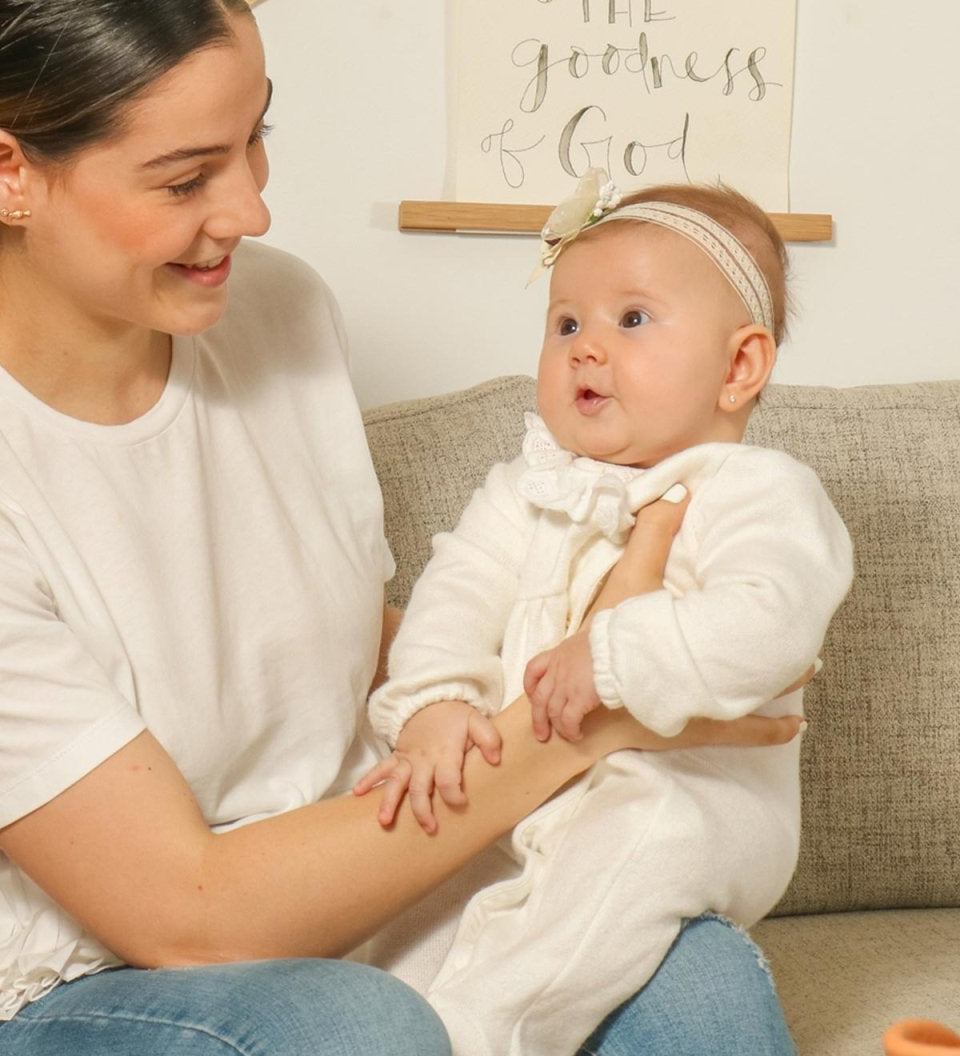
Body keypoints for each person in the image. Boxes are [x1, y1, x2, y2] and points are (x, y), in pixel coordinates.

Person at [0, 3, 806, 1053]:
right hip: (109, 969)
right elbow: (186, 915)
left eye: (259, 140)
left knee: (693, 983)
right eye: (187, 178)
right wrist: (601, 704)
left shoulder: (278, 316)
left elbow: (327, 627)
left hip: (348, 878)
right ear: (11, 170)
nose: (251, 210)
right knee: (353, 1030)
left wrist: (525, 657)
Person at [358, 170, 854, 1056]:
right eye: (566, 322)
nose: (587, 347)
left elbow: (771, 621)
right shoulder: (527, 487)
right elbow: (458, 587)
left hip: (692, 796)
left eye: (632, 319)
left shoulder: (761, 493)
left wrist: (616, 651)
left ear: (739, 366)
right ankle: (388, 1004)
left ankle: (482, 1031)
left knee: (634, 848)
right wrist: (433, 701)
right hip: (522, 791)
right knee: (418, 852)